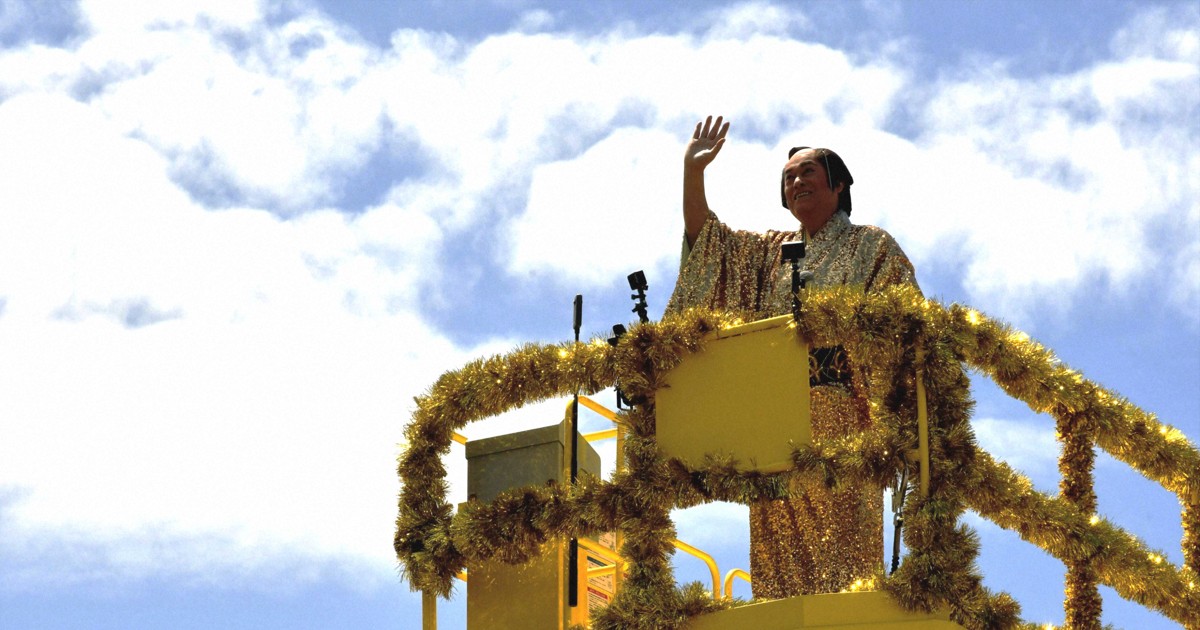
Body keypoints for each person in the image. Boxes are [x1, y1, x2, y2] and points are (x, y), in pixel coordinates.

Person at [665, 115, 921, 599]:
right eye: (788, 178)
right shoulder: (771, 253)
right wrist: (692, 174)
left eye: (807, 172)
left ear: (839, 184)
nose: (796, 182)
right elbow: (709, 249)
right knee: (776, 558)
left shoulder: (871, 245)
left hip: (846, 418)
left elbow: (907, 331)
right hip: (775, 423)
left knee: (846, 565)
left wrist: (899, 419)